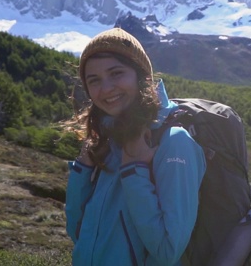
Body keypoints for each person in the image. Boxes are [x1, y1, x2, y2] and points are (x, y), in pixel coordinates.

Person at [65, 27, 206, 266]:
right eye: (94, 80)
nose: (106, 88)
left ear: (142, 77)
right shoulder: (107, 142)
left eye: (116, 73)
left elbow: (168, 250)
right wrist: (82, 170)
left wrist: (133, 171)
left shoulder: (174, 143)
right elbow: (78, 233)